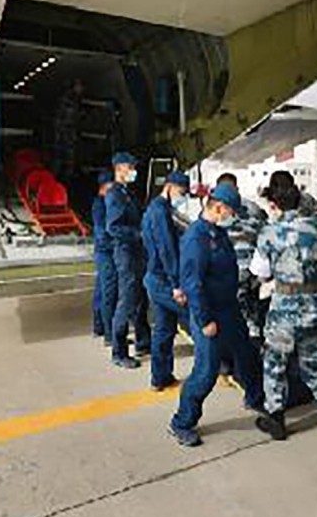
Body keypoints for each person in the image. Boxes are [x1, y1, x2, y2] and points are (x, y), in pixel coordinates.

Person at [251, 174, 317, 464]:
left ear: (273, 202)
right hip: (315, 307)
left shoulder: (269, 232)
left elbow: (260, 273)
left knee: (274, 363)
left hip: (284, 310)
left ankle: (276, 419)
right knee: (316, 369)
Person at [169, 183, 266, 447]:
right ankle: (182, 422)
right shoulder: (196, 237)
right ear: (218, 207)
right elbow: (193, 283)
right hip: (209, 314)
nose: (234, 216)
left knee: (246, 355)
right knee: (206, 372)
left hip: (229, 308)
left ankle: (256, 398)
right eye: (232, 211)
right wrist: (204, 321)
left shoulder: (218, 233)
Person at [142, 171, 190, 391]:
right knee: (197, 317)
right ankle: (219, 366)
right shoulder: (160, 212)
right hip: (164, 280)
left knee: (164, 330)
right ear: (169, 187)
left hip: (154, 277)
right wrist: (177, 285)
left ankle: (160, 378)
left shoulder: (157, 208)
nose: (183, 196)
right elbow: (167, 250)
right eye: (182, 192)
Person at [106, 152, 151, 369]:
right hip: (126, 253)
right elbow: (113, 227)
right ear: (119, 168)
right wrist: (138, 234)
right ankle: (119, 351)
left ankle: (143, 342)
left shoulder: (127, 193)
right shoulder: (115, 194)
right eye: (130, 166)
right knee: (127, 302)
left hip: (135, 252)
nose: (134, 170)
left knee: (140, 299)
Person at [215, 173, 269, 348]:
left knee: (230, 314)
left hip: (230, 273)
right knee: (250, 313)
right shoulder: (253, 208)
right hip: (249, 271)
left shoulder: (216, 209)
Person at [92, 170, 115, 345]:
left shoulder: (102, 203)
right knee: (109, 292)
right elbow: (103, 233)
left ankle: (99, 327)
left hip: (103, 251)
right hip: (106, 253)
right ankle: (110, 334)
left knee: (101, 290)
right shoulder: (101, 205)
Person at [52, 78, 84, 177]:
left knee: (61, 154)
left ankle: (59, 174)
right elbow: (70, 115)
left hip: (63, 130)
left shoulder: (70, 97)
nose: (81, 89)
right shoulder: (70, 98)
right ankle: (66, 176)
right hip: (65, 131)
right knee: (67, 154)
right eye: (80, 87)